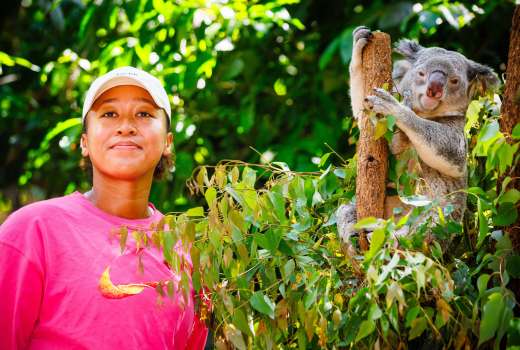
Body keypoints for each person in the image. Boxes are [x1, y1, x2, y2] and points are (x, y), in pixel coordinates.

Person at [0, 66, 208, 349]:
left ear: (168, 143)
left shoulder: (187, 253)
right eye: (109, 114)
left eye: (144, 114)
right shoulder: (32, 231)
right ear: (84, 142)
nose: (126, 125)